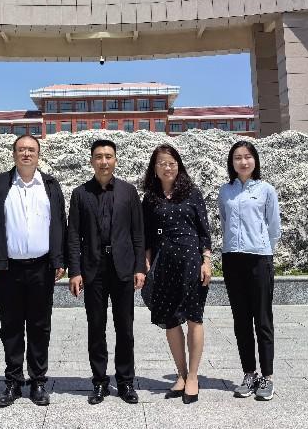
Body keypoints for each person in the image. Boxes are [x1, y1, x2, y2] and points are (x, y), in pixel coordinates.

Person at [0, 134, 67, 408]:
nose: (26, 154)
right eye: (21, 150)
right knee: (11, 326)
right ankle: (13, 382)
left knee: (40, 325)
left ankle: (38, 381)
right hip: (10, 269)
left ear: (38, 155)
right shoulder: (0, 184)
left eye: (31, 150)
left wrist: (60, 259)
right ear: (14, 154)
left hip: (42, 267)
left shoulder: (50, 185)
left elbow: (60, 223)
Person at [67, 139, 146, 405]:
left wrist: (139, 267)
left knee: (125, 327)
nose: (104, 161)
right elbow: (73, 235)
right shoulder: (80, 194)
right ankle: (99, 382)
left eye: (108, 156)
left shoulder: (128, 192)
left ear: (115, 160)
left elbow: (138, 233)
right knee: (96, 327)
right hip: (93, 268)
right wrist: (75, 271)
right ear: (92, 161)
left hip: (122, 267)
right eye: (99, 157)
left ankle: (125, 382)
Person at [141, 144, 212, 405]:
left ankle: (193, 376)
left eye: (171, 163)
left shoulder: (192, 193)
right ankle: (181, 374)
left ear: (178, 165)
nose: (167, 167)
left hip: (191, 262)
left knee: (194, 317)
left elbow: (204, 231)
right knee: (170, 320)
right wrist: (146, 263)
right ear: (154, 168)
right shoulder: (150, 198)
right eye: (162, 163)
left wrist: (207, 260)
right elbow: (147, 235)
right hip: (164, 263)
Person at [218, 140, 281, 402]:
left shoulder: (266, 190)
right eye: (237, 158)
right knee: (241, 320)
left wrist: (264, 249)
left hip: (259, 259)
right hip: (232, 259)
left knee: (262, 319)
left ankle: (267, 376)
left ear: (255, 160)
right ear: (231, 163)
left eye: (247, 157)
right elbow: (224, 222)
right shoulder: (225, 191)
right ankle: (249, 373)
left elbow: (274, 226)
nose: (243, 162)